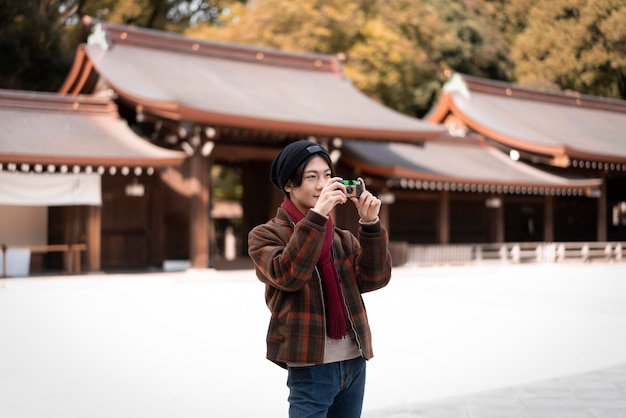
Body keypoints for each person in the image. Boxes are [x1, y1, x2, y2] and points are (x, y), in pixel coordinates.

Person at [248, 140, 392, 418]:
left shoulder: (342, 238)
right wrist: (316, 217)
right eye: (312, 177)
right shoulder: (265, 235)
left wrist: (370, 224)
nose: (322, 185)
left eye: (327, 176)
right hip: (310, 362)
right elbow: (288, 274)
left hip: (353, 358)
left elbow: (375, 278)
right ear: (289, 184)